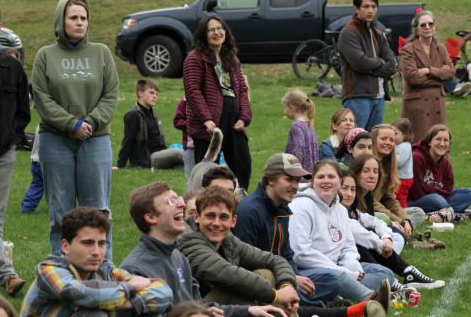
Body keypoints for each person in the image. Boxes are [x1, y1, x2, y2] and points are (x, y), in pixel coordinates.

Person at [178, 186, 389, 317]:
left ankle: (351, 311)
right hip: (198, 311)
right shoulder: (189, 240)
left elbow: (276, 259)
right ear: (196, 217)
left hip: (243, 300)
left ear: (233, 221)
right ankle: (354, 309)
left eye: (223, 217)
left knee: (275, 282)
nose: (216, 223)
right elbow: (227, 274)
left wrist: (287, 285)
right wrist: (277, 293)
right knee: (265, 279)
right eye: (210, 216)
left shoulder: (229, 239)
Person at [119, 181, 286, 317]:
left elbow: (201, 307)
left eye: (178, 198)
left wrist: (247, 311)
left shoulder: (177, 257)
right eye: (171, 201)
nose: (182, 204)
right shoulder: (134, 269)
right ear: (150, 217)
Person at [32, 0, 119, 259]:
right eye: (73, 17)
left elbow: (111, 94)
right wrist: (72, 125)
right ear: (61, 20)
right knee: (61, 213)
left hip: (95, 139)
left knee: (98, 212)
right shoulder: (46, 55)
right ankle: (61, 273)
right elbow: (41, 98)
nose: (79, 22)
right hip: (55, 141)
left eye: (83, 17)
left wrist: (89, 123)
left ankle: (102, 273)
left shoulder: (101, 52)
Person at [234, 153, 343, 308]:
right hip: (258, 279)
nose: (296, 186)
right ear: (270, 179)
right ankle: (318, 306)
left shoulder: (283, 208)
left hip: (282, 275)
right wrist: (288, 280)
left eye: (297, 181)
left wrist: (293, 276)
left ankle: (303, 302)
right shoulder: (249, 211)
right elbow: (246, 265)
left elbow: (287, 255)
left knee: (331, 280)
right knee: (288, 292)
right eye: (289, 179)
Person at [21, 207, 173, 317]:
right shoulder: (49, 271)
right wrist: (131, 286)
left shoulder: (104, 271)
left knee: (150, 312)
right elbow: (81, 292)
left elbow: (163, 291)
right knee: (94, 313)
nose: (96, 252)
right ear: (65, 246)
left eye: (101, 243)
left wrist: (132, 303)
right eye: (87, 243)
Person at [289, 160, 394, 303]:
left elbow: (348, 245)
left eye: (331, 177)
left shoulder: (340, 209)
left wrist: (352, 268)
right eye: (320, 177)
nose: (326, 181)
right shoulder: (300, 207)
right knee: (336, 278)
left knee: (384, 272)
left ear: (339, 182)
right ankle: (375, 299)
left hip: (339, 267)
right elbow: (300, 254)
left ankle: (340, 296)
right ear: (313, 182)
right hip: (309, 270)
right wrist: (343, 272)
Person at [339, 170, 445, 292]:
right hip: (342, 265)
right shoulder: (337, 212)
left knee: (383, 231)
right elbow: (357, 231)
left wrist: (386, 238)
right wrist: (382, 244)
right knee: (362, 240)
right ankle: (388, 279)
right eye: (344, 188)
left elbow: (376, 220)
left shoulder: (350, 210)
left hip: (371, 246)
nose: (349, 193)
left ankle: (407, 272)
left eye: (352, 189)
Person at [184, 13, 252, 191]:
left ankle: (239, 203)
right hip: (209, 122)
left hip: (234, 119)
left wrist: (244, 117)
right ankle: (204, 206)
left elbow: (242, 90)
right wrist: (206, 119)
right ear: (203, 34)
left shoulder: (232, 58)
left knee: (243, 164)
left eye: (220, 28)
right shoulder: (194, 58)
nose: (217, 32)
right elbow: (192, 91)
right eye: (211, 30)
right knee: (207, 172)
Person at [0, 0, 29, 297]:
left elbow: (22, 110)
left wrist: (15, 139)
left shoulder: (12, 67)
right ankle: (6, 274)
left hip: (3, 151)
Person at [338, 0, 396, 132]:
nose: (370, 10)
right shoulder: (348, 32)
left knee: (372, 145)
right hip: (358, 97)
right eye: (366, 6)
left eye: (374, 6)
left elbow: (392, 66)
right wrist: (380, 62)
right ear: (356, 8)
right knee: (354, 141)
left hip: (380, 97)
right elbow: (360, 62)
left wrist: (371, 67)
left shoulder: (378, 34)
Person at [401, 10, 455, 143]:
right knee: (418, 144)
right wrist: (439, 76)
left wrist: (427, 70)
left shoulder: (440, 48)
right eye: (423, 25)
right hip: (417, 105)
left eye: (431, 24)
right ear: (416, 29)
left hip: (437, 104)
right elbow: (412, 77)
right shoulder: (409, 49)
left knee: (438, 142)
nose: (427, 27)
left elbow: (451, 73)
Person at [407, 125, 471, 219]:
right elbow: (415, 192)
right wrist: (437, 193)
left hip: (438, 198)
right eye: (438, 139)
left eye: (446, 140)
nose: (442, 144)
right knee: (437, 200)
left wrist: (429, 189)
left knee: (469, 194)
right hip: (413, 201)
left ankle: (441, 214)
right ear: (429, 142)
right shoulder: (417, 158)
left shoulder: (446, 163)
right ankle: (454, 214)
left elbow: (448, 190)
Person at [115, 79, 183, 170]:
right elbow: (128, 141)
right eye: (151, 93)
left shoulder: (152, 112)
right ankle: (203, 161)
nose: (155, 96)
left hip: (161, 153)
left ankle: (205, 167)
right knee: (176, 153)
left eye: (156, 94)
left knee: (183, 167)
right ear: (140, 93)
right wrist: (120, 165)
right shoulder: (134, 114)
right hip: (148, 159)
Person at [369, 125, 425, 233]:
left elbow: (390, 199)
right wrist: (398, 220)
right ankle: (397, 233)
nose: (388, 143)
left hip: (382, 211)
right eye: (383, 139)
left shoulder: (387, 166)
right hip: (367, 211)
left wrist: (404, 219)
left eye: (392, 140)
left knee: (418, 212)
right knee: (381, 216)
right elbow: (370, 202)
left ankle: (398, 232)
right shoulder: (366, 165)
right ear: (373, 140)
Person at [282, 90, 318, 176]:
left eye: (285, 108)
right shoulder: (309, 125)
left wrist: (292, 171)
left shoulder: (296, 126)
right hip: (310, 173)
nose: (285, 111)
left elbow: (298, 151)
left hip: (299, 176)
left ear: (292, 107)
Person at [389, 119, 413, 209]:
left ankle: (404, 213)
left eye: (395, 134)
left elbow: (399, 162)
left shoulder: (405, 147)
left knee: (400, 198)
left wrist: (387, 159)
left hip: (403, 179)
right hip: (400, 178)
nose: (393, 137)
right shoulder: (399, 145)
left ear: (405, 134)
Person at [21, 125, 44, 213]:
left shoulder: (40, 124)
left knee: (37, 183)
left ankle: (27, 206)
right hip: (46, 161)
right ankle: (61, 206)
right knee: (57, 186)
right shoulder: (51, 124)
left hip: (35, 159)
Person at [174, 97, 196, 179]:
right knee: (191, 177)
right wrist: (192, 124)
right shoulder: (184, 103)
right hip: (190, 146)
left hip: (207, 145)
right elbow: (177, 122)